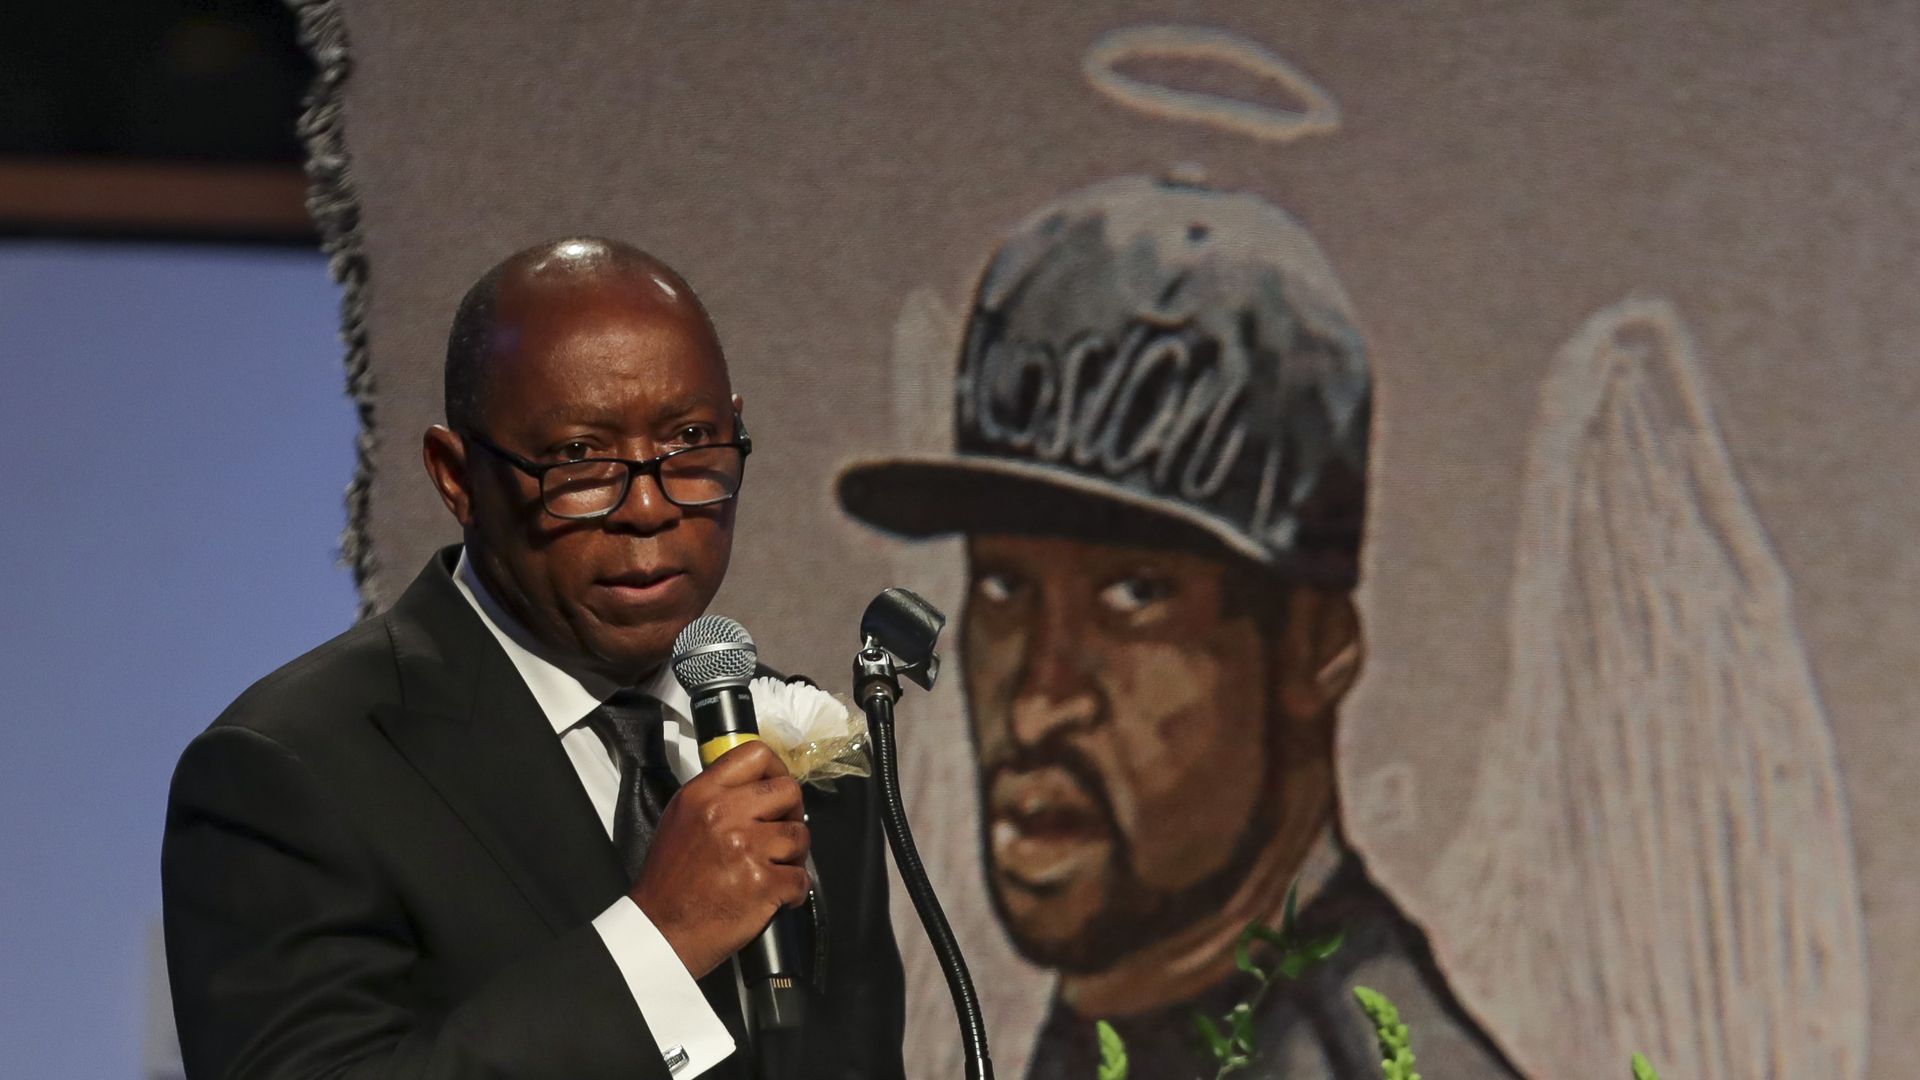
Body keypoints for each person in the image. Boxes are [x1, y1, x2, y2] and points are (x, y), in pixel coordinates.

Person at [162, 237, 906, 1080]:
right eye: (580, 458)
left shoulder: (802, 752)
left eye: (691, 440)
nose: (650, 507)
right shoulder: (290, 770)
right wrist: (658, 943)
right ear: (457, 477)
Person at [837, 176, 1518, 1078]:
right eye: (1004, 585)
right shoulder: (1130, 1021)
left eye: (1136, 595)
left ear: (1315, 650)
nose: (1040, 705)